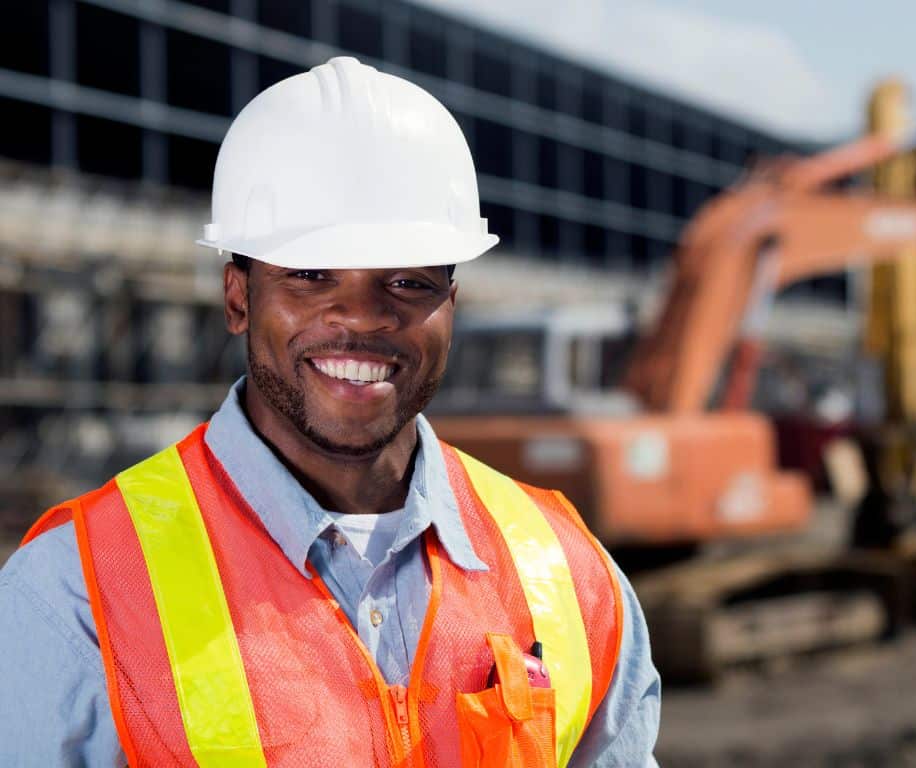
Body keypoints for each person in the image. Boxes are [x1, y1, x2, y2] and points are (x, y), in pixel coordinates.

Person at [0, 57, 660, 766]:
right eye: (312, 275)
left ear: (451, 306)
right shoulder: (78, 593)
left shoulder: (566, 572)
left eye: (407, 280)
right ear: (237, 298)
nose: (362, 317)